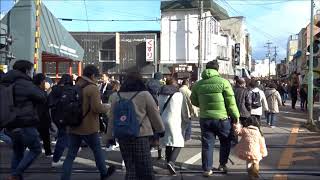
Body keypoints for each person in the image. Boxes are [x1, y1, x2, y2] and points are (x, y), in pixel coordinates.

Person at [106, 72, 165, 180]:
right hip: (141, 136)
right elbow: (154, 114)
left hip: (123, 136)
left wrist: (109, 137)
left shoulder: (116, 96)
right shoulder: (144, 95)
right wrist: (160, 130)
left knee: (130, 168)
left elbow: (112, 118)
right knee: (145, 168)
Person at [61, 65, 115, 180]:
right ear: (92, 76)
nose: (97, 79)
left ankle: (64, 177)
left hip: (74, 125)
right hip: (89, 127)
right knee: (97, 150)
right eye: (96, 77)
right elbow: (97, 108)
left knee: (70, 155)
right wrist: (107, 106)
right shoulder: (92, 88)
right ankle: (104, 173)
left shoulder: (76, 85)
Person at [191, 60, 240, 177]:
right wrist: (236, 117)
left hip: (205, 119)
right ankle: (222, 165)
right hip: (222, 119)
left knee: (207, 144)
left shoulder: (198, 84)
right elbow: (231, 103)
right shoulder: (224, 82)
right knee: (225, 142)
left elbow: (193, 100)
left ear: (206, 69)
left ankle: (207, 169)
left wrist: (203, 106)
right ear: (217, 69)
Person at [2, 60, 46, 180]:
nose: (32, 73)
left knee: (18, 152)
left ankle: (15, 176)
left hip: (9, 123)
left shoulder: (6, 82)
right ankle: (16, 174)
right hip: (24, 123)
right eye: (32, 70)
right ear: (27, 71)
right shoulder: (24, 83)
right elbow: (42, 97)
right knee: (36, 149)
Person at [159, 78, 188, 175]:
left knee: (168, 142)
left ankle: (168, 162)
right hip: (174, 120)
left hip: (162, 119)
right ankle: (171, 162)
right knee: (179, 142)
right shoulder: (178, 94)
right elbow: (184, 109)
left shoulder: (161, 94)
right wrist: (186, 120)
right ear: (174, 84)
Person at [48, 74, 73, 167]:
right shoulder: (69, 90)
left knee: (62, 136)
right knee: (63, 138)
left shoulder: (54, 89)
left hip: (55, 117)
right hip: (66, 116)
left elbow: (49, 103)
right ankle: (56, 159)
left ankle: (57, 157)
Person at [33, 73, 52, 157]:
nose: (45, 83)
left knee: (40, 136)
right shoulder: (41, 93)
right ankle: (47, 152)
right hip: (41, 118)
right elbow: (45, 106)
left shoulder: (33, 90)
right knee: (45, 136)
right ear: (41, 82)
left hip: (36, 118)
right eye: (44, 81)